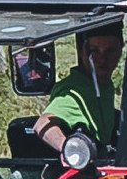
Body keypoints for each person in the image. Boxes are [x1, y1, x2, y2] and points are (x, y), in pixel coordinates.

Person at [33, 24, 122, 155]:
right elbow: (42, 124)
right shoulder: (75, 91)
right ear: (82, 53)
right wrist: (69, 150)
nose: (102, 59)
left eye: (110, 51)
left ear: (121, 51)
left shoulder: (102, 84)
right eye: (94, 51)